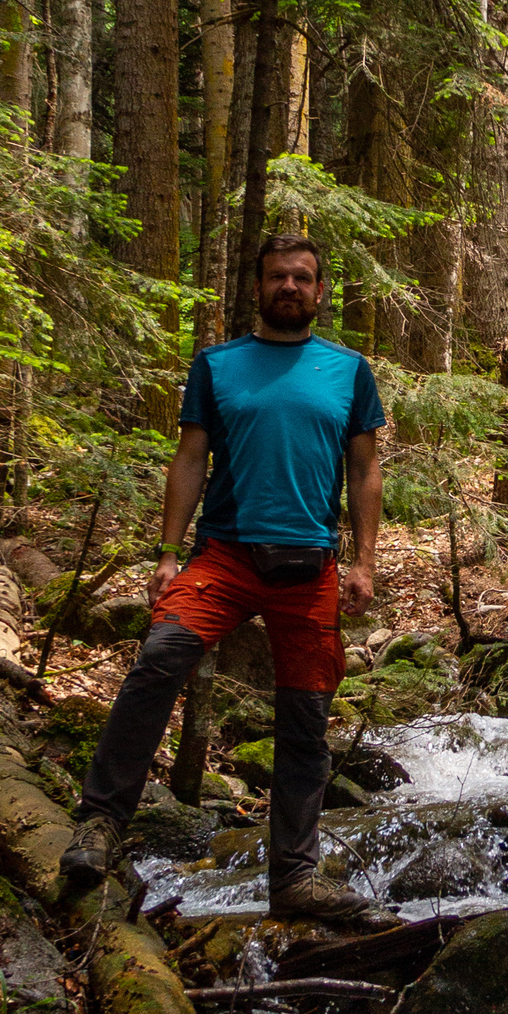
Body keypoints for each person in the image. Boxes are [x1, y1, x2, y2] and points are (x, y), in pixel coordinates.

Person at [59, 233, 386, 924]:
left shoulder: (348, 371)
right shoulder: (217, 365)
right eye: (277, 277)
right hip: (225, 556)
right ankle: (100, 824)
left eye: (302, 277)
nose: (290, 287)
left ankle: (294, 877)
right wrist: (166, 552)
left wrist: (364, 560)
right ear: (259, 288)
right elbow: (189, 459)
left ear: (320, 292)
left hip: (311, 565)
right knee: (159, 660)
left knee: (305, 717)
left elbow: (364, 469)